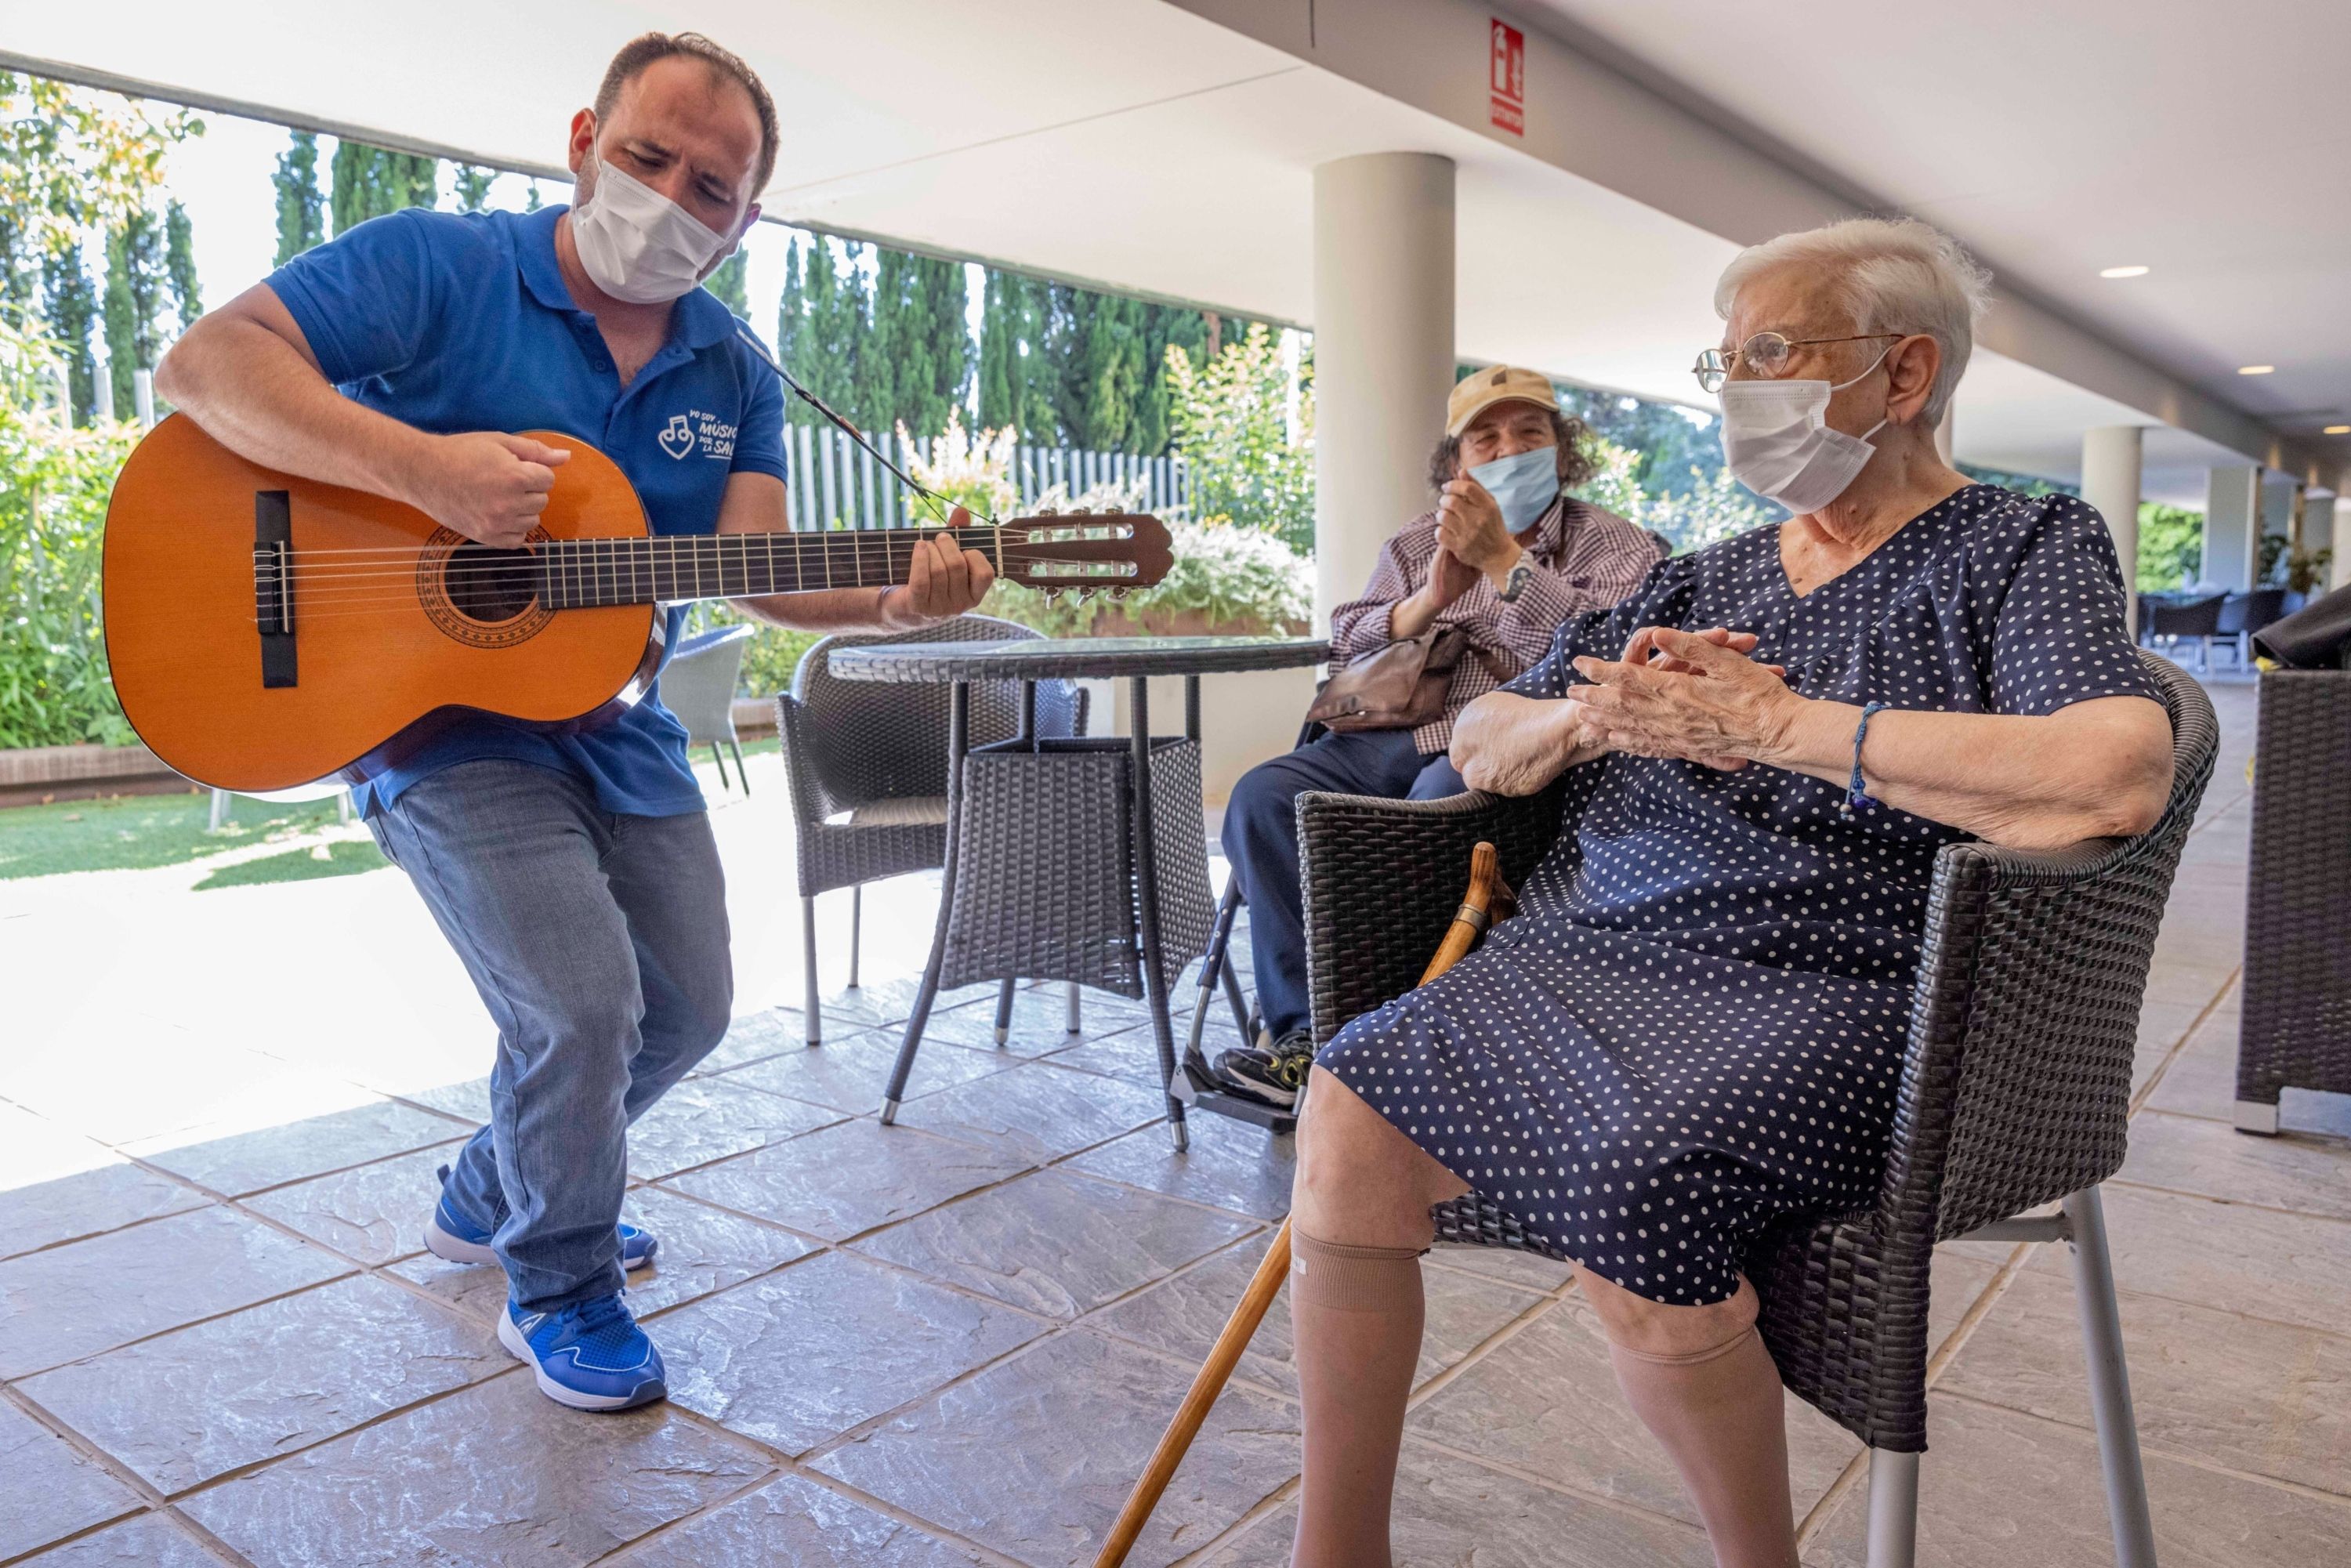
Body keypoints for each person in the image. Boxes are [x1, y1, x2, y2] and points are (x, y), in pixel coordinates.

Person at [1282, 217, 2175, 1567]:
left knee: (1632, 1180)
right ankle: (1336, 1552)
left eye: (1773, 350)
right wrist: (1601, 719)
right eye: (1727, 359)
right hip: (1601, 943)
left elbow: (2116, 772)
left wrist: (1780, 722)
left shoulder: (2018, 545)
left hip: (1842, 969)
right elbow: (1483, 740)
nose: (1739, 388)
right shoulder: (1706, 574)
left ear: (1905, 371)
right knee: (1347, 1100)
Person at [155, 31, 994, 1413]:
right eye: (648, 155)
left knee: (692, 1006)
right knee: (580, 1002)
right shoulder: (441, 265)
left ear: (747, 219)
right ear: (581, 140)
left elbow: (762, 564)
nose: (670, 198)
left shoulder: (730, 365)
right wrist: (425, 471)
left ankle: (501, 1189)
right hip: (429, 718)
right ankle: (561, 1278)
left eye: (711, 187)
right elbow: (206, 366)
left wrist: (905, 603)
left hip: (607, 712)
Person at [1213, 368, 1660, 1106]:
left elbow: (1608, 653)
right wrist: (1428, 600)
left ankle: (1403, 1037)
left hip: (1509, 748)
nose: (1507, 448)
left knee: (1432, 809)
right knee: (1266, 796)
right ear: (1458, 462)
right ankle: (1305, 1039)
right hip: (1393, 732)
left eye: (1529, 432)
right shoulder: (1418, 539)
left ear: (1561, 450)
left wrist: (1505, 565)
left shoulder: (1613, 544)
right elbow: (1347, 641)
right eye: (1486, 436)